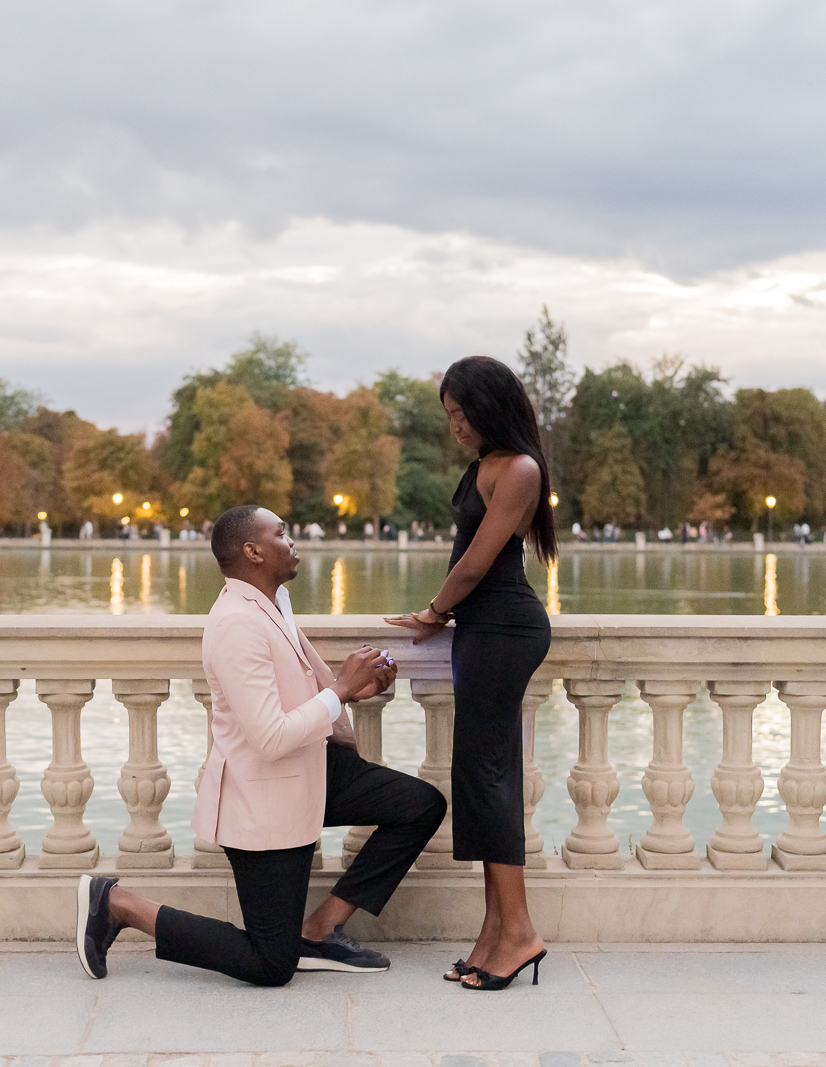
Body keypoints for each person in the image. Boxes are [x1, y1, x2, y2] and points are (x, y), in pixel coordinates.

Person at [76, 505, 446, 987]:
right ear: (252, 551)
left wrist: (355, 688)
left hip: (314, 767)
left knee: (420, 805)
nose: (293, 542)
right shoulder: (236, 624)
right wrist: (339, 691)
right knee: (271, 965)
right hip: (265, 796)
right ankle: (119, 905)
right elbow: (270, 737)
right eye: (282, 535)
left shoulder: (273, 603)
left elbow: (300, 694)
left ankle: (320, 928)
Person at [385, 355, 554, 992]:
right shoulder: (487, 465)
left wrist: (434, 611)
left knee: (487, 779)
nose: (455, 425)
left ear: (491, 406)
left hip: (505, 628)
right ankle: (494, 932)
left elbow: (478, 563)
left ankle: (520, 932)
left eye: (462, 412)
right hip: (483, 632)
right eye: (449, 415)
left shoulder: (519, 469)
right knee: (481, 776)